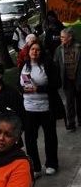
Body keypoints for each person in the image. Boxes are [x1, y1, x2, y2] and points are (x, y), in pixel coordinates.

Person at [20, 41, 64, 177]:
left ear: (41, 52)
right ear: (28, 51)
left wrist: (38, 88)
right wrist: (23, 89)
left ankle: (51, 164)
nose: (34, 52)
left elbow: (57, 84)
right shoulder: (24, 66)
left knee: (50, 137)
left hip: (46, 108)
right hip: (29, 108)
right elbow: (19, 83)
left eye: (37, 50)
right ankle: (35, 167)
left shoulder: (48, 65)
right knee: (30, 139)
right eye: (32, 49)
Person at [53, 28, 81, 131]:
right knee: (69, 102)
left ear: (70, 37)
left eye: (63, 37)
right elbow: (55, 64)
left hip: (78, 79)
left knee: (79, 101)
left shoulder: (79, 47)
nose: (60, 38)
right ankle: (71, 122)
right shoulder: (59, 49)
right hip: (67, 80)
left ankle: (80, 120)